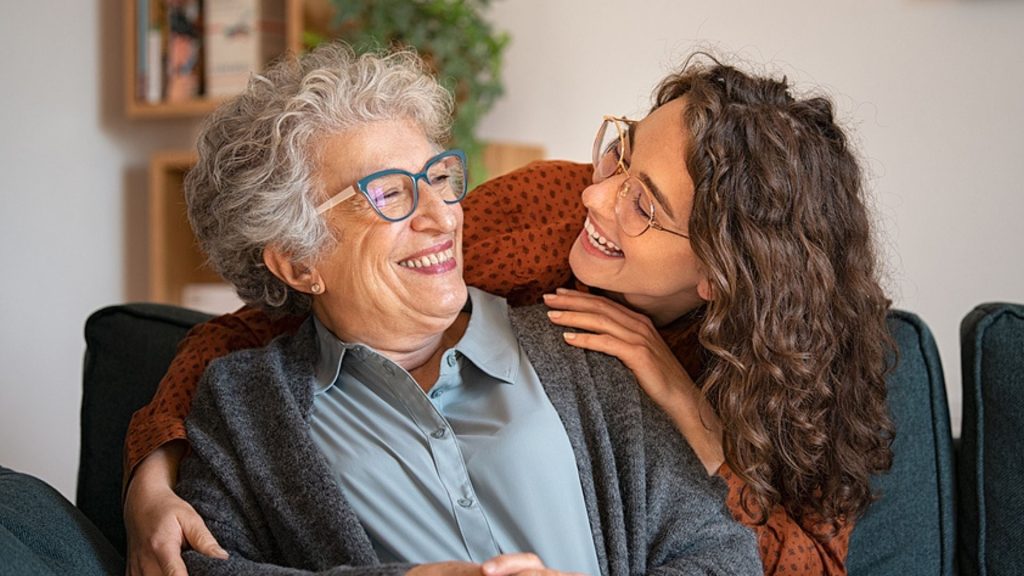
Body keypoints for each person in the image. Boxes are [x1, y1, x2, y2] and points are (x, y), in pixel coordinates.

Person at [124, 52, 893, 576]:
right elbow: (259, 324)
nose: (597, 196)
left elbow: (751, 558)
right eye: (620, 155)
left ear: (722, 277)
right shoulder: (551, 219)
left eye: (643, 203)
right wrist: (151, 473)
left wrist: (692, 419)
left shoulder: (605, 366)